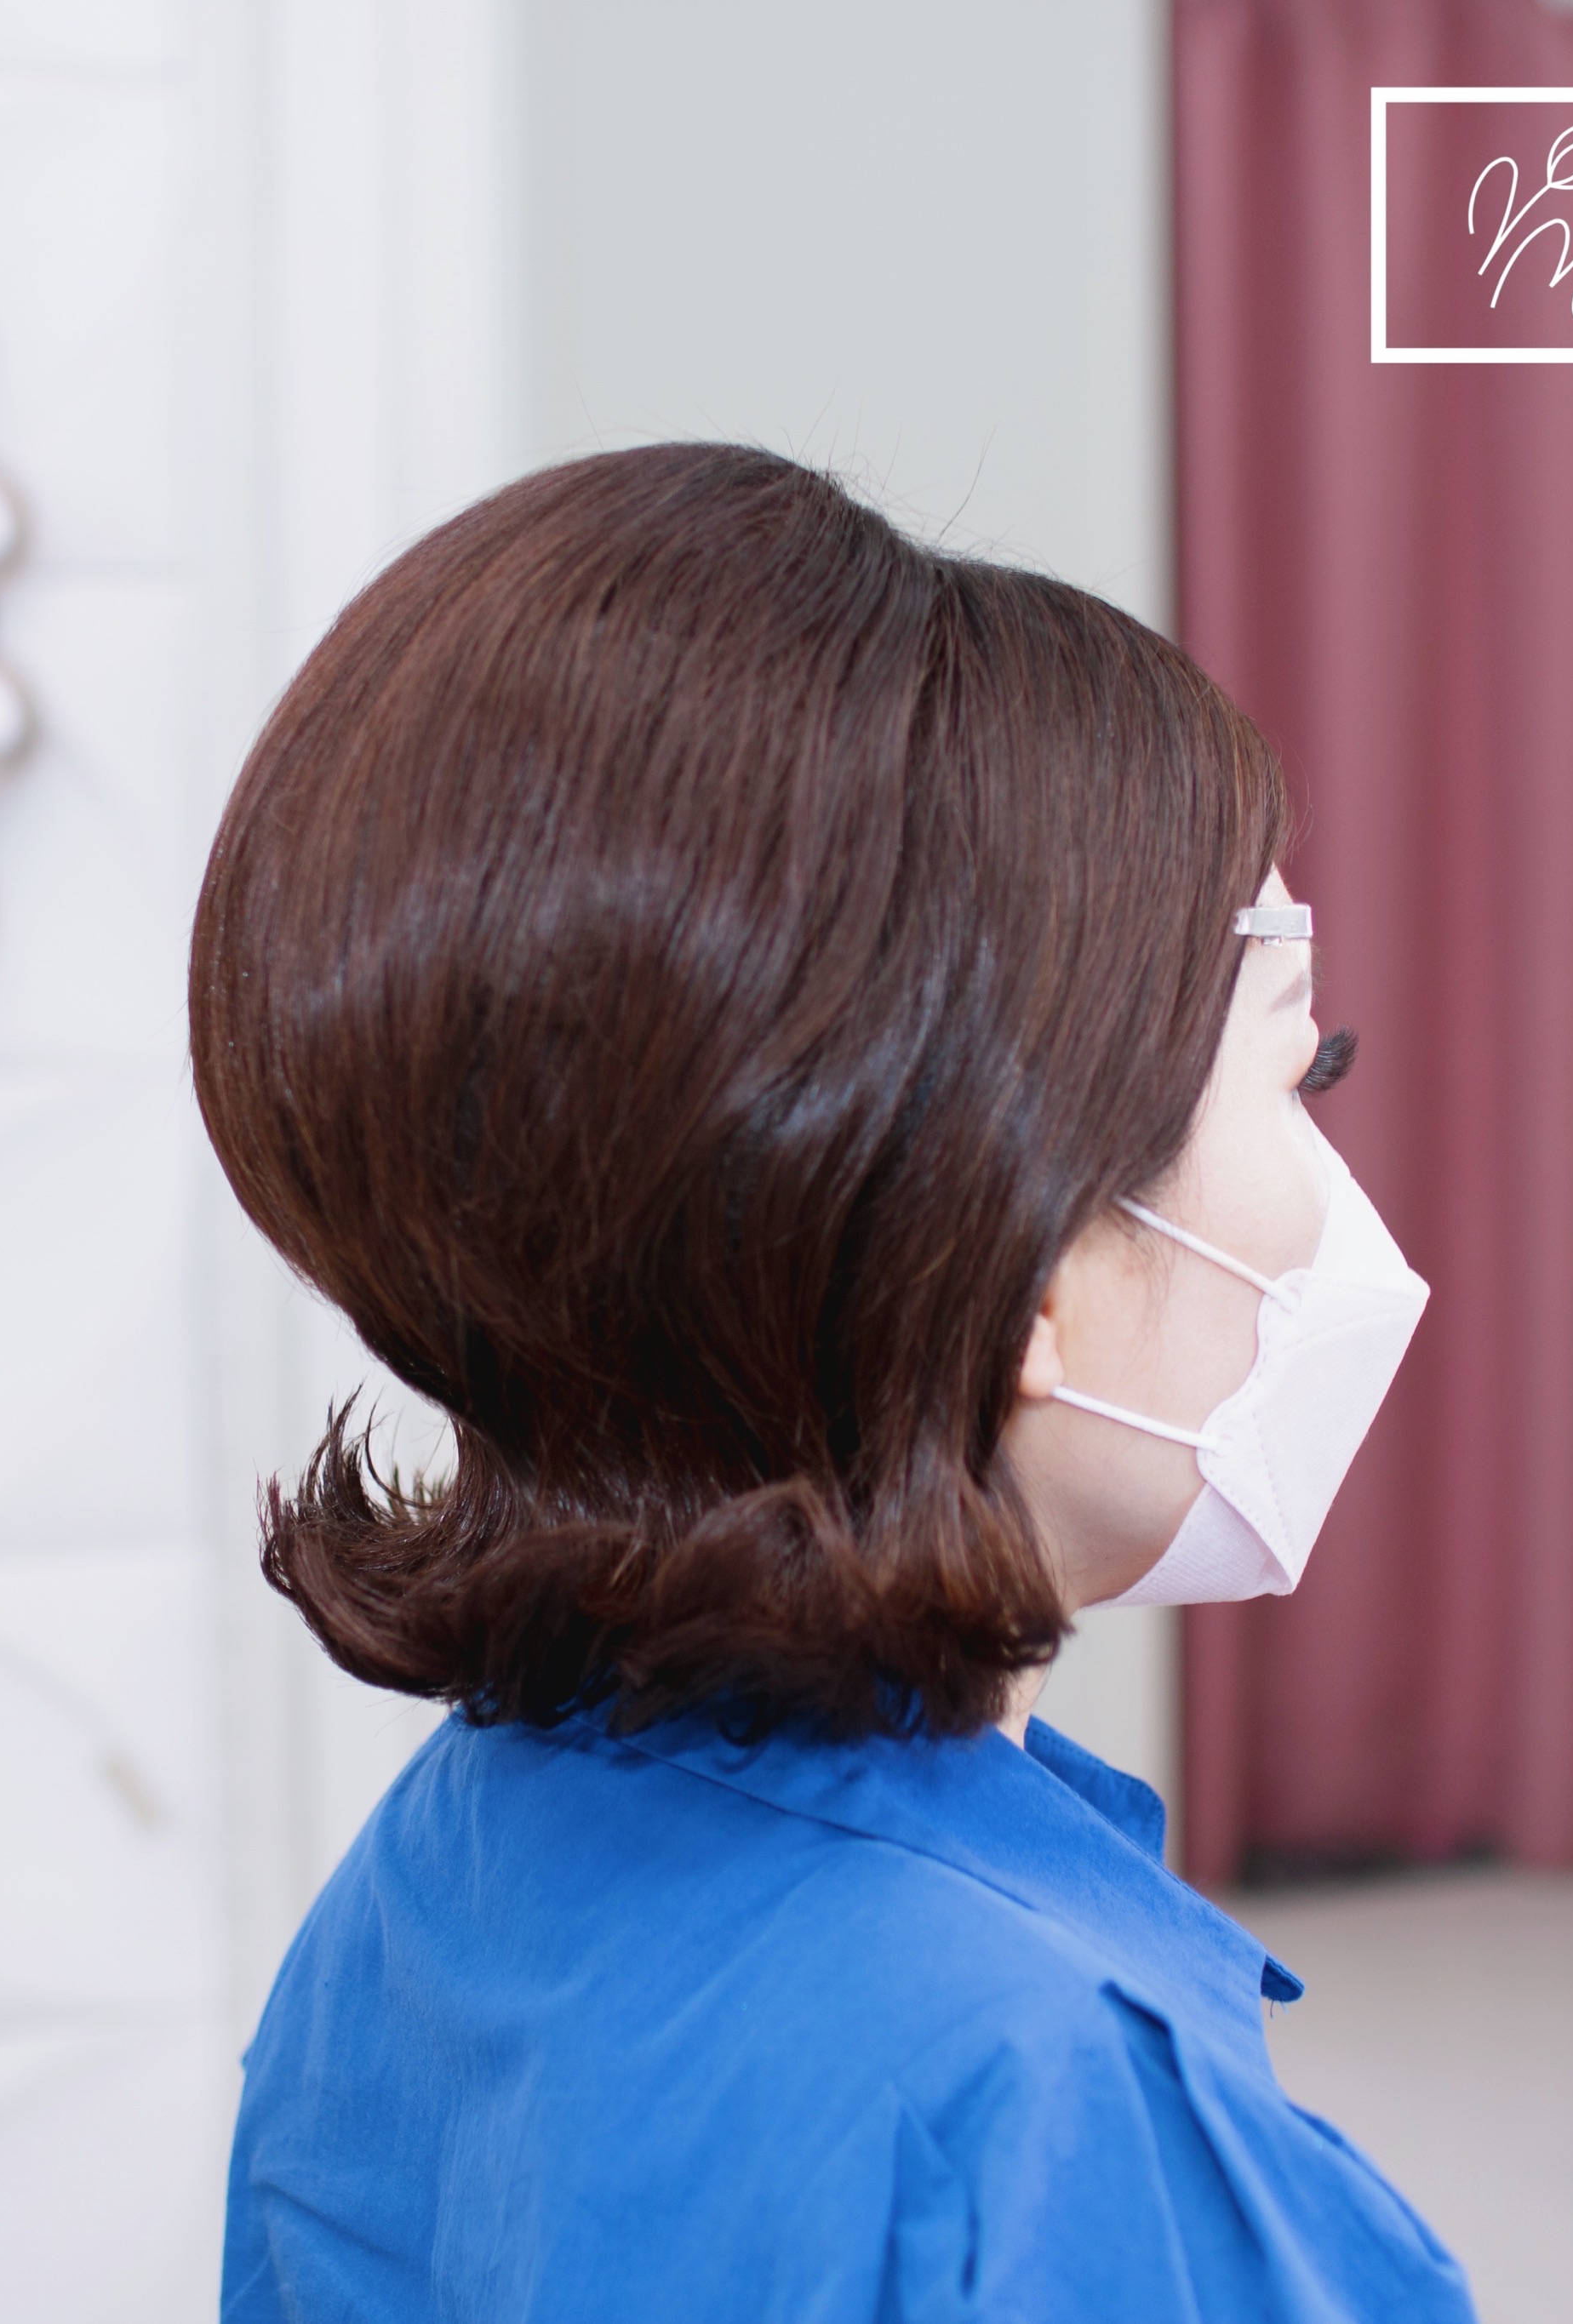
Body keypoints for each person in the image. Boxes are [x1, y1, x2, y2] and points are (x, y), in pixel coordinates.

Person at [197, 445, 1466, 2321]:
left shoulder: (429, 1892)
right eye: (1301, 1074)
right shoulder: (1038, 2111)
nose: (1331, 1199)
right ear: (1022, 1264)